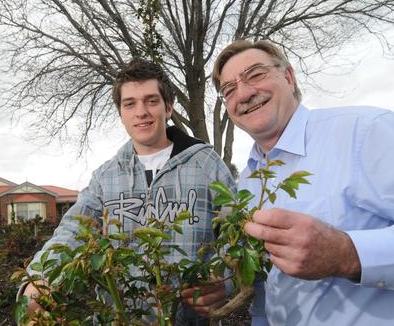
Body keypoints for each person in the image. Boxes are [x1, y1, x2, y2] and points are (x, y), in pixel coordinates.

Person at [210, 39, 394, 325]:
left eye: (256, 75)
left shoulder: (366, 132)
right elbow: (268, 282)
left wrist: (349, 254)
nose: (245, 93)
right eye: (229, 89)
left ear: (288, 77)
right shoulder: (249, 181)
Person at [19, 59, 236, 324]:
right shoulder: (106, 177)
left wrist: (225, 281)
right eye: (130, 104)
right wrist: (39, 278)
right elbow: (73, 230)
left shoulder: (207, 165)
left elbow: (237, 234)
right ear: (121, 114)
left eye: (151, 101)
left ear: (168, 108)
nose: (141, 111)